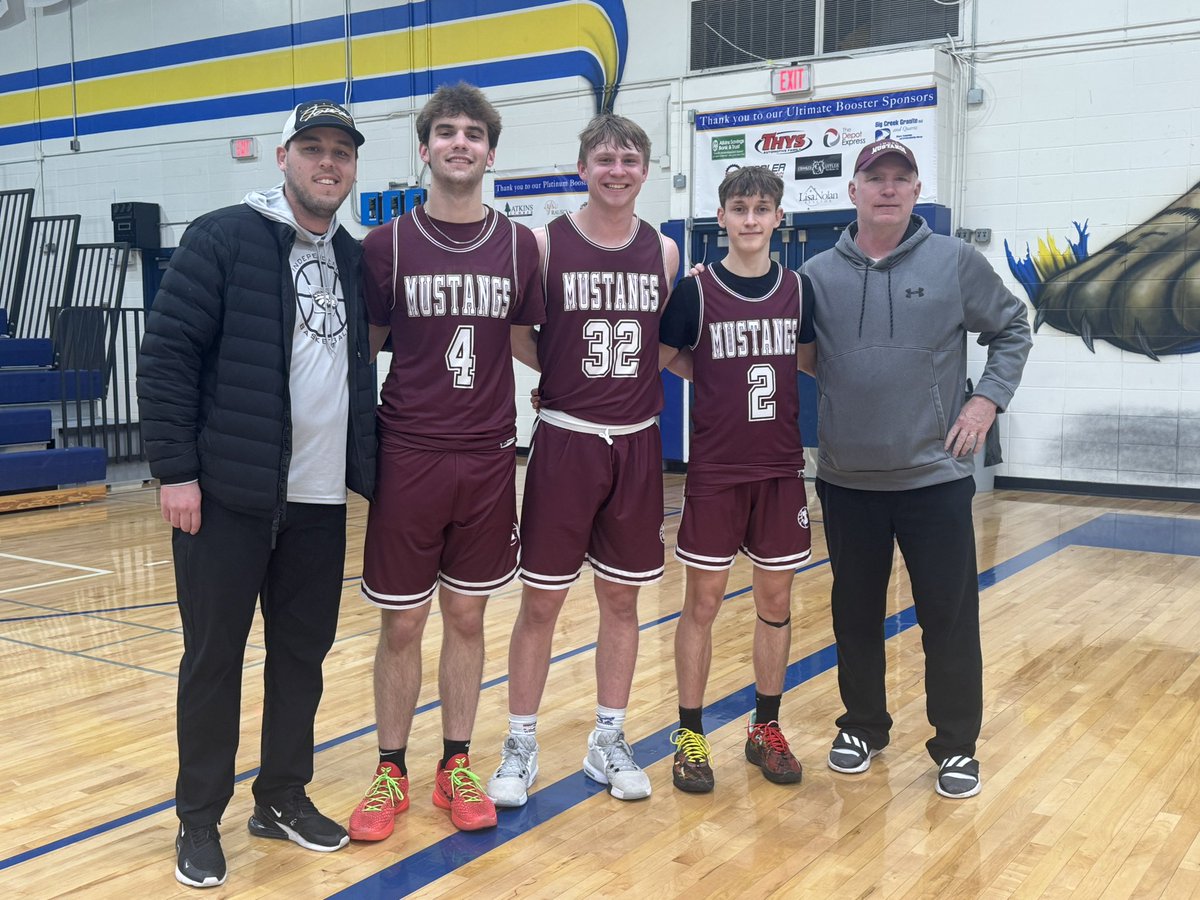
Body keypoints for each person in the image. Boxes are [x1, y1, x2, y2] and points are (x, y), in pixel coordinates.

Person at [137, 100, 376, 889]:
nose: (328, 163)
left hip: (316, 502)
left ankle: (280, 796)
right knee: (215, 660)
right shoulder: (223, 236)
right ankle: (198, 818)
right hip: (229, 495)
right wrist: (176, 470)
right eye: (313, 148)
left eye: (341, 151)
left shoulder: (350, 255)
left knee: (301, 658)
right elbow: (168, 355)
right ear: (282, 158)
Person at [802, 138, 1032, 798]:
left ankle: (956, 745)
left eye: (902, 178)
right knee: (854, 615)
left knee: (949, 619)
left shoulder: (954, 260)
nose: (889, 188)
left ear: (915, 190)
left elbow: (1012, 327)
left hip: (934, 477)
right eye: (877, 177)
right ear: (853, 191)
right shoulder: (817, 274)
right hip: (847, 480)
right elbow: (800, 350)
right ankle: (862, 726)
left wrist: (986, 400)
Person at [347, 83, 545, 841]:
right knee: (402, 625)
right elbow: (360, 352)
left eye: (474, 134)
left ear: (491, 153)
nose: (460, 143)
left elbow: (525, 338)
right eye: (446, 132)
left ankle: (455, 763)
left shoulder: (520, 245)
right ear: (425, 148)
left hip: (491, 455)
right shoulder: (385, 246)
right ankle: (389, 767)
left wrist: (580, 389)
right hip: (410, 455)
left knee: (466, 615)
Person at [485, 114, 679, 808]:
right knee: (540, 603)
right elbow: (512, 328)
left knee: (622, 601)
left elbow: (663, 342)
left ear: (645, 170)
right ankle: (521, 742)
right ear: (582, 167)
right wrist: (561, 371)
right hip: (565, 438)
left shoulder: (663, 251)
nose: (616, 168)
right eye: (604, 157)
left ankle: (608, 739)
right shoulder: (544, 244)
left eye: (629, 158)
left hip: (636, 443)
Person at [658, 165, 815, 793]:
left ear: (779, 219)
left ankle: (765, 728)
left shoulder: (799, 290)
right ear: (720, 218)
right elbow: (664, 352)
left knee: (775, 603)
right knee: (702, 603)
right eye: (740, 208)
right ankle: (691, 734)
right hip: (718, 470)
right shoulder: (696, 290)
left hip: (779, 468)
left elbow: (806, 358)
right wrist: (712, 373)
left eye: (762, 208)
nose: (751, 219)